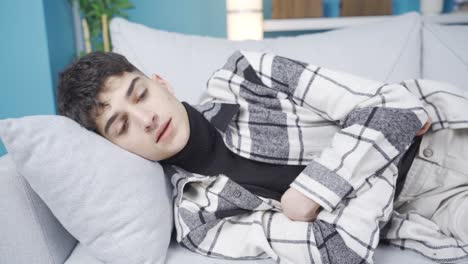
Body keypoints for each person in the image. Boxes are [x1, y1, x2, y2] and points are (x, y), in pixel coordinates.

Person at [56, 50, 468, 263]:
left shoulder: (248, 75)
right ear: (113, 149)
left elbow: (400, 107)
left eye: (140, 93)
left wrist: (313, 191)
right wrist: (377, 139)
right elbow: (336, 251)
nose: (146, 120)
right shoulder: (198, 219)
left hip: (452, 133)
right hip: (430, 214)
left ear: (160, 81)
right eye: (121, 126)